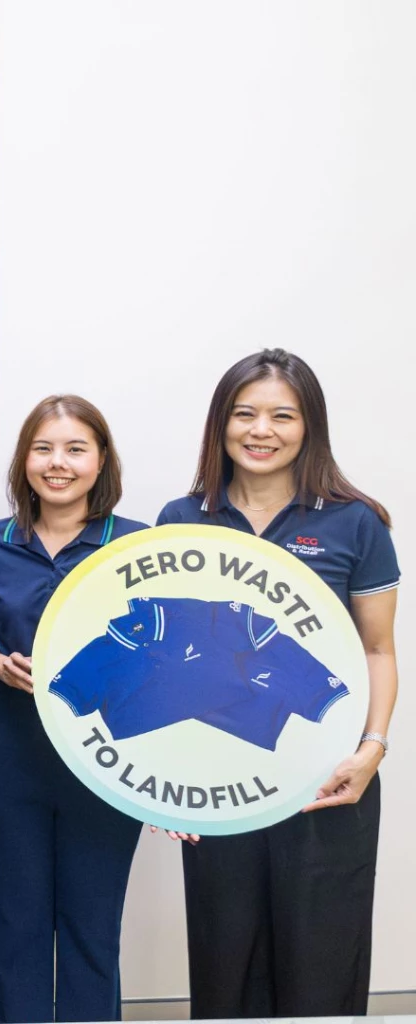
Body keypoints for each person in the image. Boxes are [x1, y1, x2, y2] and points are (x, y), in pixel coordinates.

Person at [156, 349, 397, 1018]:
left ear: (309, 425)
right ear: (221, 424)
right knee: (225, 965)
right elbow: (170, 661)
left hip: (326, 779)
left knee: (320, 967)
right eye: (245, 414)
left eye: (282, 416)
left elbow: (378, 649)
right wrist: (162, 774)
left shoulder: (354, 522)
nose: (261, 430)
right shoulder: (182, 519)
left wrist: (372, 750)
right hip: (218, 778)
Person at [0, 395, 147, 1022]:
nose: (58, 463)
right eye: (43, 448)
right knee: (16, 925)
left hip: (106, 761)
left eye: (75, 449)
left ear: (101, 461)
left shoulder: (138, 545)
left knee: (91, 928)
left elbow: (165, 658)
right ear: (24, 460)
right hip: (10, 756)